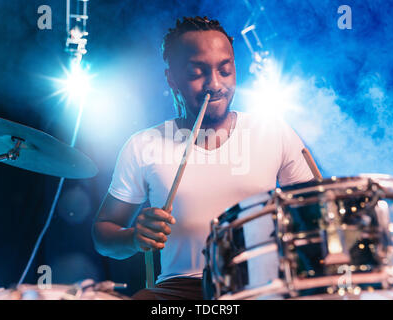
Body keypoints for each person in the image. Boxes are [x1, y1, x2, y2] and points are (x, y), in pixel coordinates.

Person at [92, 16, 314, 300]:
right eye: (198, 72)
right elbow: (103, 234)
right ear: (172, 78)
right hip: (182, 289)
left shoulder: (274, 130)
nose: (215, 84)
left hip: (265, 283)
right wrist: (134, 237)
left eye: (225, 70)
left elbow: (312, 212)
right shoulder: (143, 145)